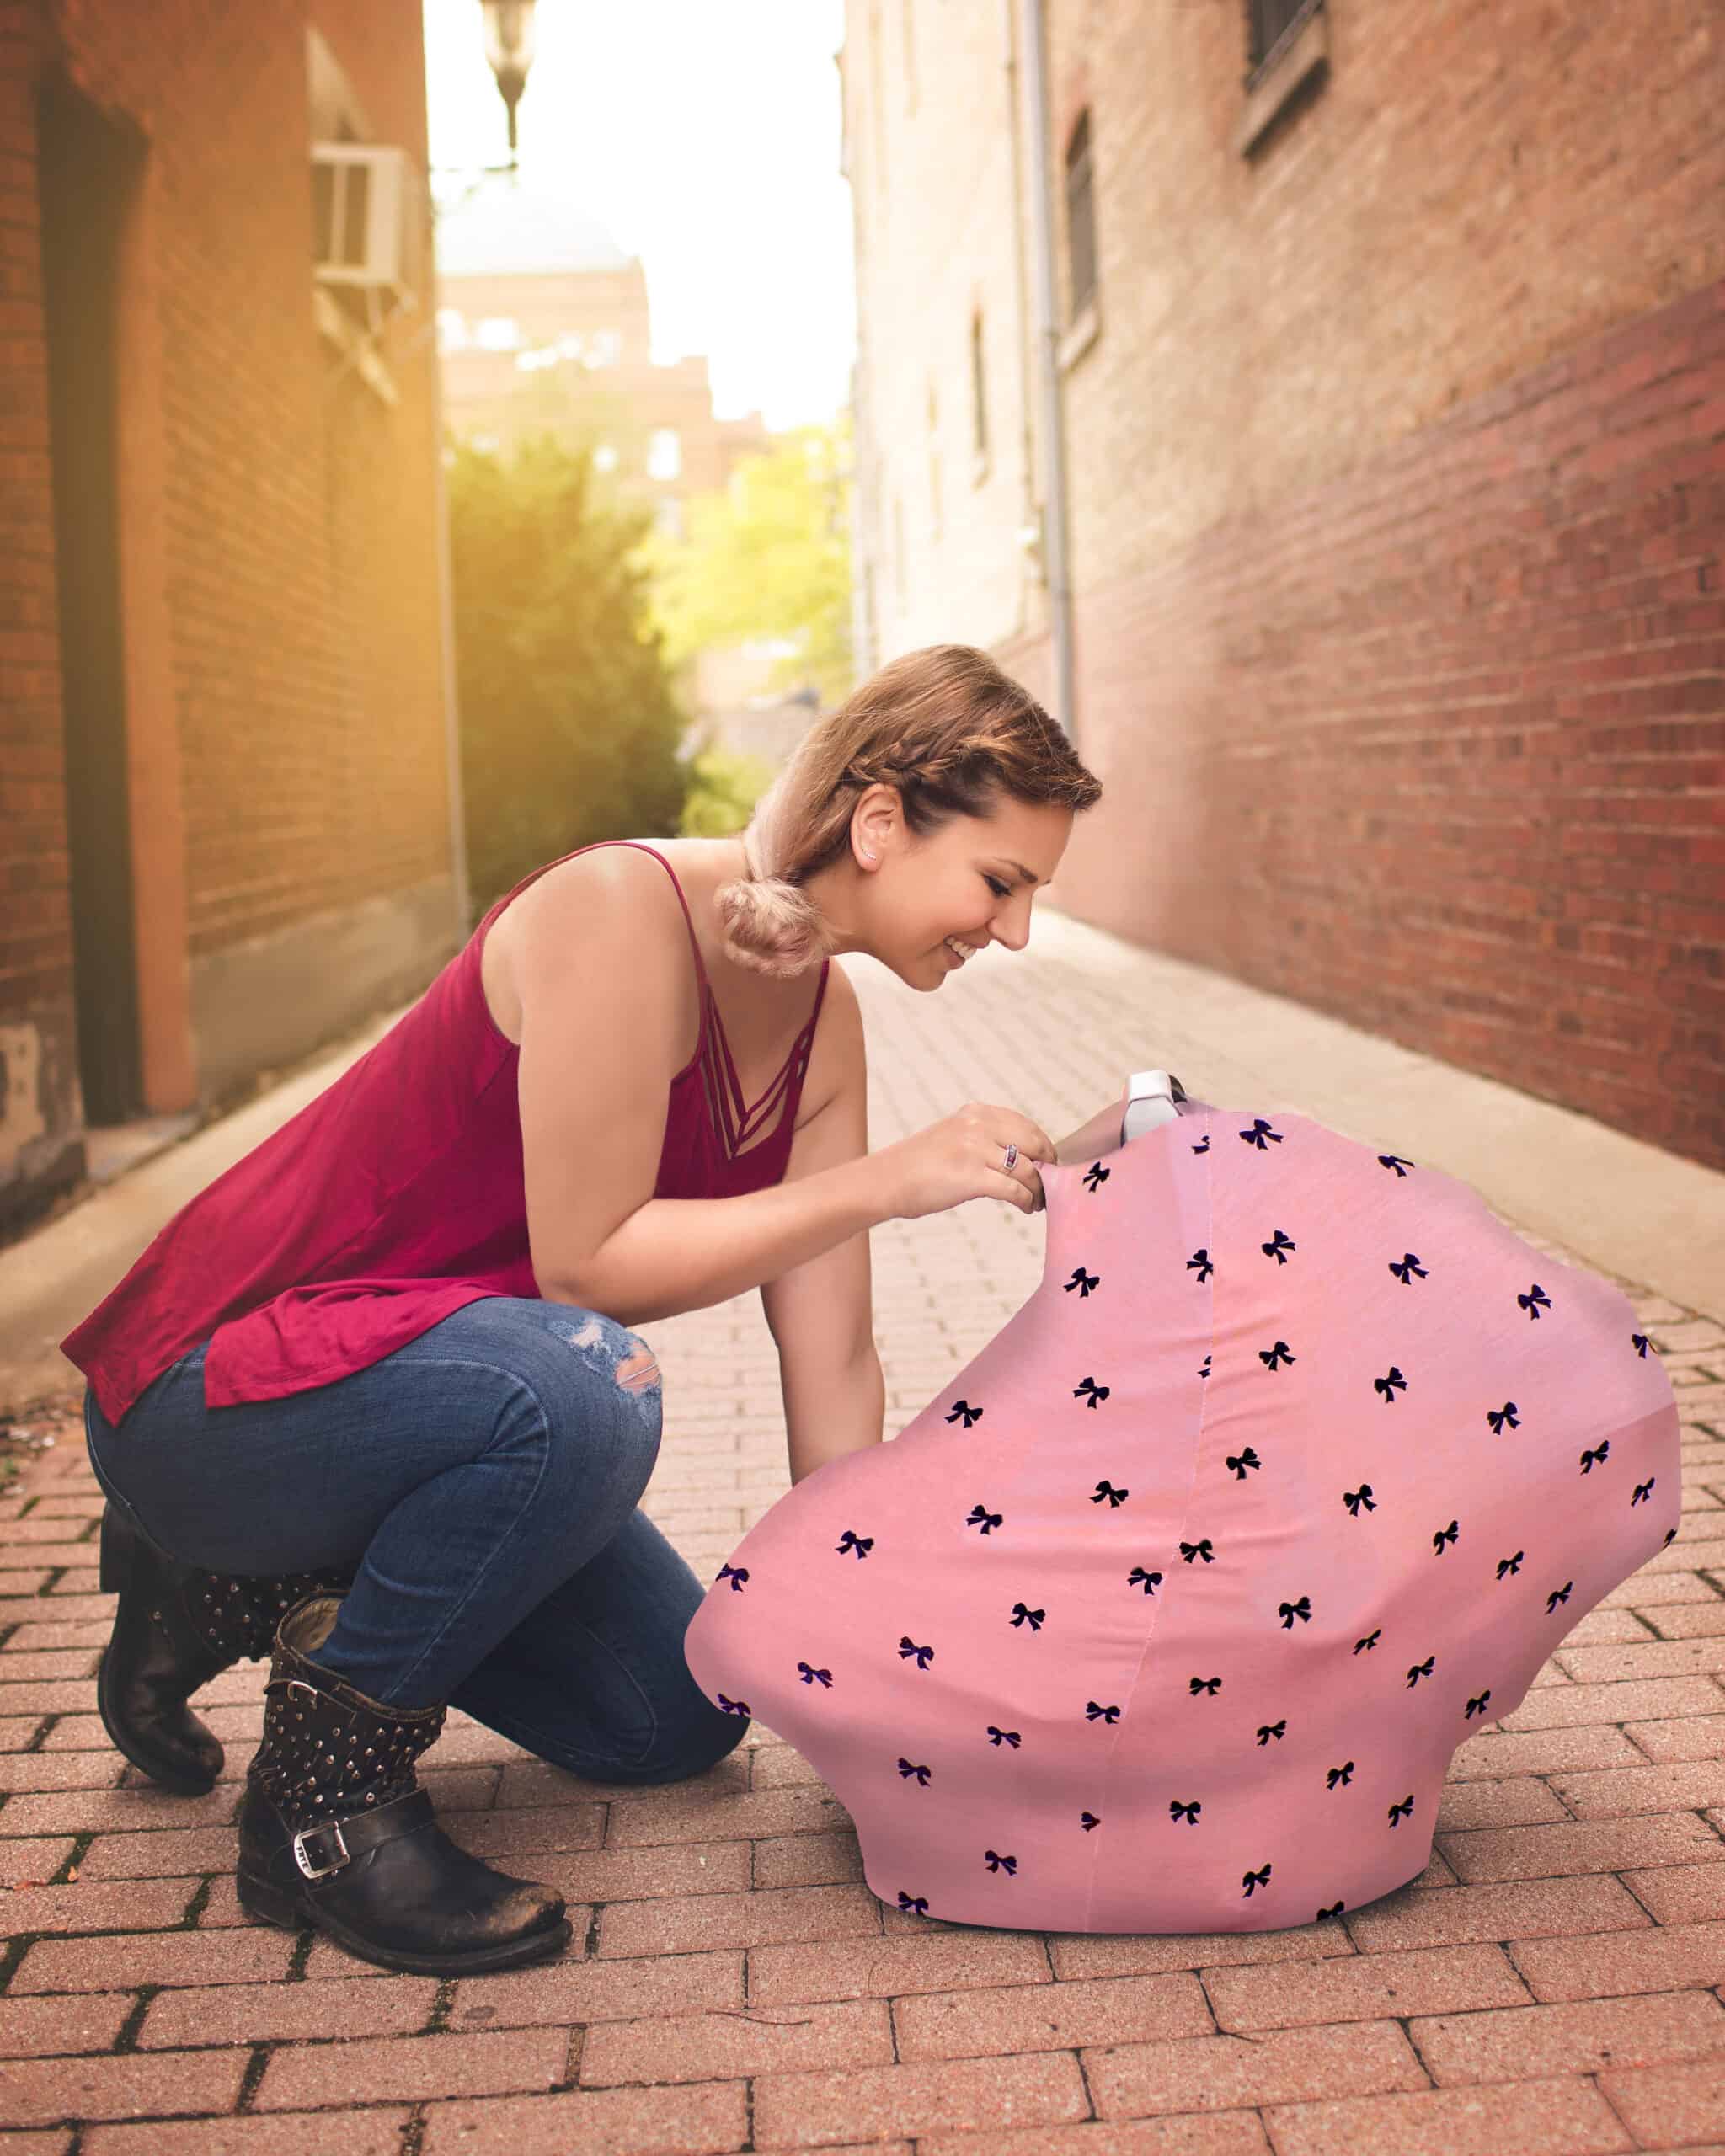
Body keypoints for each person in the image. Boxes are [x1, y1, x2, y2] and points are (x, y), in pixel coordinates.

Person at [63, 643, 1108, 1977]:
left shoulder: (823, 1025)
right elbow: (593, 1264)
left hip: (407, 1397)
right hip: (208, 1388)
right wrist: (889, 1183)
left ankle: (217, 1590)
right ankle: (321, 1811)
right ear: (883, 821)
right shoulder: (623, 911)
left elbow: (833, 1362)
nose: (1011, 929)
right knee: (587, 1388)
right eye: (1001, 882)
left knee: (672, 1719)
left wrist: (885, 1650)